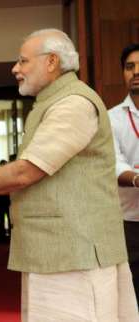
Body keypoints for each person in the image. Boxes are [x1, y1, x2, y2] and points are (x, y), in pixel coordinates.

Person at [0, 28, 138, 321]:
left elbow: (26, 171)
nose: (15, 68)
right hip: (56, 252)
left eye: (23, 61)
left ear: (51, 62)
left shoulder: (73, 104)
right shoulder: (52, 102)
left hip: (75, 254)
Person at [109, 43, 139, 302]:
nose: (136, 72)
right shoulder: (111, 118)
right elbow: (113, 163)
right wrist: (137, 178)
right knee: (132, 293)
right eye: (130, 67)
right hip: (127, 220)